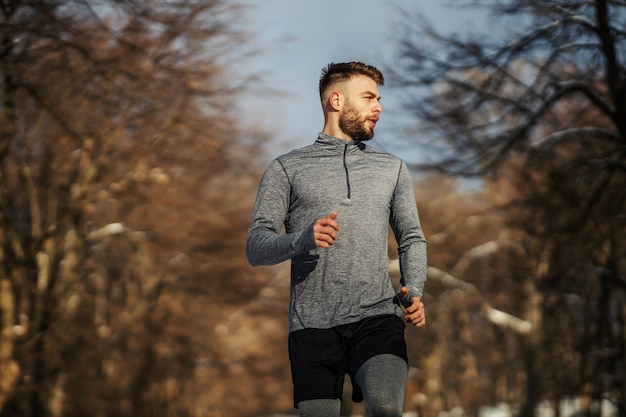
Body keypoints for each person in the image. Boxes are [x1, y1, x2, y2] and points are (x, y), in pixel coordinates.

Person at [246, 61, 427, 417]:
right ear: (336, 101)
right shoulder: (286, 168)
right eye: (369, 97)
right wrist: (302, 239)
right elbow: (256, 246)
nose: (379, 107)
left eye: (379, 98)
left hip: (377, 316)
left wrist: (414, 288)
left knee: (386, 407)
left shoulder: (392, 168)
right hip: (311, 326)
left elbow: (411, 237)